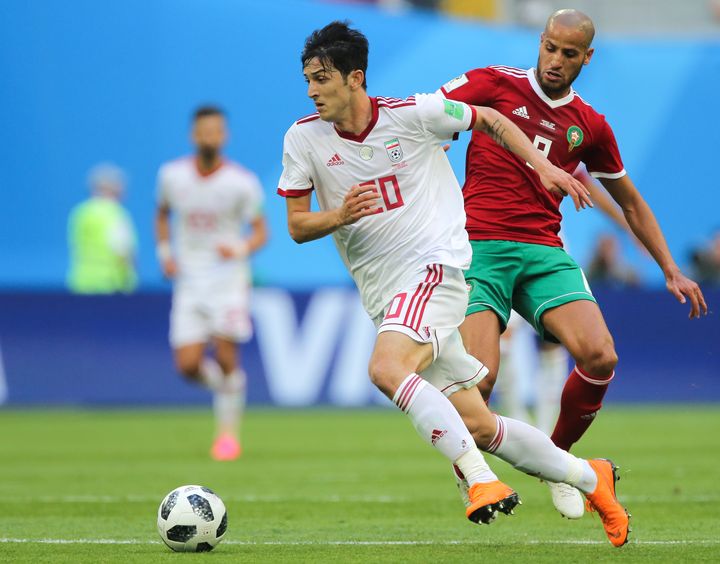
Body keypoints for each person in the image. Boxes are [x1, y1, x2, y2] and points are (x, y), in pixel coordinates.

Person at [278, 20, 630, 546]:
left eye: (321, 78)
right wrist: (340, 216)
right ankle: (589, 477)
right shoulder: (303, 137)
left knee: (386, 367)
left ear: (355, 78)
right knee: (481, 424)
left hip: (434, 269)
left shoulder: (413, 115)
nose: (311, 90)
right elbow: (297, 226)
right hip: (384, 293)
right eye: (307, 79)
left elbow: (488, 118)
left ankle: (479, 480)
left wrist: (545, 168)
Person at [439, 8, 707, 518]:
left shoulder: (590, 125)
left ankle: (557, 461)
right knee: (479, 381)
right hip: (481, 247)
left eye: (568, 53)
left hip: (544, 252)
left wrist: (670, 267)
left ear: (587, 57)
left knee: (601, 356)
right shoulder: (492, 84)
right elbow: (422, 118)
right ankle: (473, 475)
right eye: (549, 47)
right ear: (539, 42)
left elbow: (630, 201)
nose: (555, 60)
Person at [155, 105, 268, 461]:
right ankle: (230, 390)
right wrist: (164, 253)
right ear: (193, 135)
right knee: (187, 366)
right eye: (204, 131)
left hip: (227, 280)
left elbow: (261, 232)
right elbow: (162, 213)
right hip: (189, 279)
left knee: (224, 353)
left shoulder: (242, 182)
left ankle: (227, 437)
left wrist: (239, 247)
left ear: (225, 136)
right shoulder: (172, 176)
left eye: (216, 131)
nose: (210, 137)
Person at [67, 163, 138, 294]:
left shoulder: (80, 213)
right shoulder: (115, 213)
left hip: (81, 283)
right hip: (111, 285)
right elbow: (123, 249)